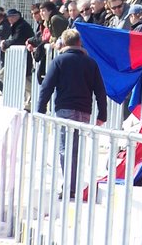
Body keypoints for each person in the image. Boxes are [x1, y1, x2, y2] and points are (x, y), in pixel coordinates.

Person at [36, 28, 108, 193]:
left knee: (65, 149)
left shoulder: (59, 61)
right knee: (77, 149)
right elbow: (100, 90)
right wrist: (102, 114)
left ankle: (69, 185)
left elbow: (46, 87)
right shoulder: (91, 63)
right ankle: (73, 184)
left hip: (65, 109)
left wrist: (40, 110)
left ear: (63, 43)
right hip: (84, 111)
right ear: (79, 42)